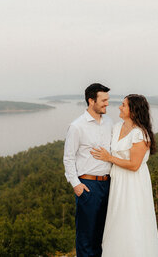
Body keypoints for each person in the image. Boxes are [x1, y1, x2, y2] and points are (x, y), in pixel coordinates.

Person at [91, 94, 158, 257]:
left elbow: (134, 165)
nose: (119, 107)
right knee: (117, 220)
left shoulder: (140, 134)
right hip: (118, 181)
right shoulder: (117, 127)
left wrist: (109, 158)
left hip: (133, 182)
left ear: (133, 110)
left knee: (132, 220)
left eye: (124, 105)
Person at [63, 83, 113, 257]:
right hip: (88, 186)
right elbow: (68, 158)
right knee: (86, 236)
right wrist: (76, 185)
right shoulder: (77, 126)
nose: (107, 103)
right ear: (91, 101)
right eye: (104, 100)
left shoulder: (109, 122)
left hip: (108, 185)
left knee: (102, 234)